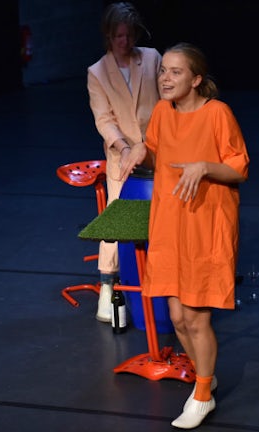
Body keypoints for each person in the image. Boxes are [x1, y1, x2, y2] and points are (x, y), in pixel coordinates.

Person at [120, 42, 250, 429]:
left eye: (176, 72)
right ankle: (204, 378)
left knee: (195, 317)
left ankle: (204, 394)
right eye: (163, 70)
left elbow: (239, 168)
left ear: (196, 79)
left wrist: (204, 166)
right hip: (170, 221)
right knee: (177, 318)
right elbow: (157, 149)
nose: (165, 78)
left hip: (206, 223)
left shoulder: (217, 113)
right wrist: (140, 150)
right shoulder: (162, 112)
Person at [87, 2, 161, 322]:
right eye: (118, 35)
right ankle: (108, 285)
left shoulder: (152, 58)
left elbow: (166, 102)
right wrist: (126, 147)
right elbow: (104, 120)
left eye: (129, 35)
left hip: (157, 150)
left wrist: (150, 143)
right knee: (116, 218)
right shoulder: (97, 72)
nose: (124, 41)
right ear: (108, 35)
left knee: (162, 215)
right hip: (122, 156)